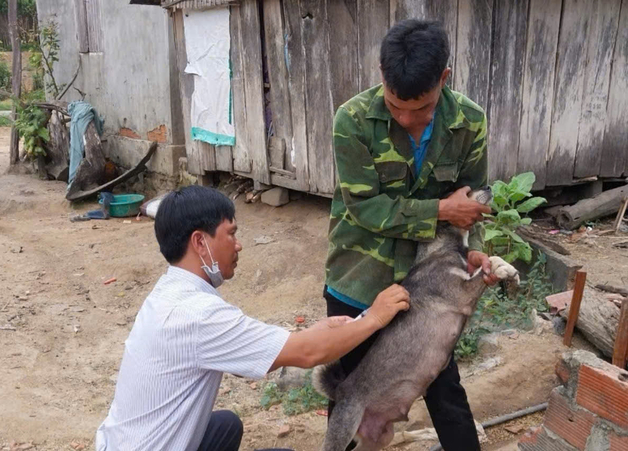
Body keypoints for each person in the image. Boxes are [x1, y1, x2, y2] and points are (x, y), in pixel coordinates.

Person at [95, 185, 411, 451]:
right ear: (199, 242)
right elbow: (307, 353)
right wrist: (374, 316)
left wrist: (313, 332)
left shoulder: (172, 292)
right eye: (230, 233)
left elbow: (272, 350)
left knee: (225, 425)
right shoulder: (195, 315)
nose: (239, 244)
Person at [325, 19, 498, 451]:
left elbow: (473, 204)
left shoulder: (469, 122)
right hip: (360, 275)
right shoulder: (353, 120)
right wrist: (442, 210)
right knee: (351, 393)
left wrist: (473, 252)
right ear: (382, 76)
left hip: (430, 280)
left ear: (444, 78)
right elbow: (365, 208)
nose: (405, 118)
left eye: (420, 109)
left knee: (444, 389)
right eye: (395, 105)